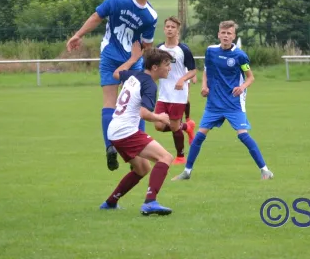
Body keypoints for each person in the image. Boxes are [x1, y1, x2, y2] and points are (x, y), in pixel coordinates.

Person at [66, 0, 160, 172]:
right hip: (133, 60)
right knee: (135, 106)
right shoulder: (151, 16)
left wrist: (78, 35)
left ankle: (110, 146)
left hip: (109, 56)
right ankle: (138, 148)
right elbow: (147, 46)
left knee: (109, 103)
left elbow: (96, 17)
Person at [172, 20, 274, 181]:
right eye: (223, 33)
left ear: (233, 36)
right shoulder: (211, 51)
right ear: (219, 34)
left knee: (243, 136)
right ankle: (187, 172)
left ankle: (265, 170)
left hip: (233, 103)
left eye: (229, 34)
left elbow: (250, 77)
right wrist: (204, 86)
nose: (226, 36)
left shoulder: (240, 55)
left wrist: (242, 87)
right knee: (199, 137)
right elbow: (206, 71)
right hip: (214, 104)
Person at [99, 42, 175, 216]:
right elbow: (143, 112)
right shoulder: (149, 85)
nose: (169, 69)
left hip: (114, 130)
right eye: (166, 65)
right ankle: (150, 202)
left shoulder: (134, 75)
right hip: (126, 131)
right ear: (155, 67)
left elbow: (117, 73)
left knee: (142, 169)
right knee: (165, 157)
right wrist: (160, 117)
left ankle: (110, 202)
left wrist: (133, 59)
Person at [154, 16, 197, 164]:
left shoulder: (183, 49)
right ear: (164, 29)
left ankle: (180, 156)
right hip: (163, 94)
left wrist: (182, 79)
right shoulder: (159, 48)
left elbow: (193, 71)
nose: (170, 29)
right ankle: (187, 126)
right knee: (158, 125)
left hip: (179, 94)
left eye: (173, 27)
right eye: (168, 27)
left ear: (177, 30)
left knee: (173, 126)